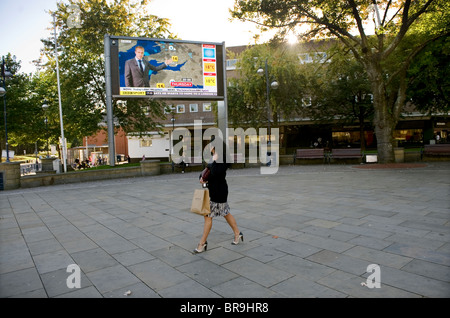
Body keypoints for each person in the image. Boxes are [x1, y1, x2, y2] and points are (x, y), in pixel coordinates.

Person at [194, 141, 243, 253]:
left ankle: (202, 243)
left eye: (211, 145)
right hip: (213, 190)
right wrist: (202, 178)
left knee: (208, 216)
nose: (209, 146)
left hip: (219, 191)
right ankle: (237, 233)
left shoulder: (222, 159)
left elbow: (216, 172)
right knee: (225, 213)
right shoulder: (214, 158)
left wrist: (214, 159)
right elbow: (206, 171)